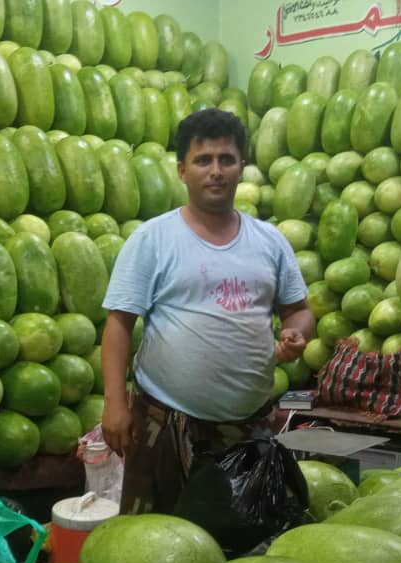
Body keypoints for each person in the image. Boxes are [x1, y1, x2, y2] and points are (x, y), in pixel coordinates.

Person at [99, 107, 316, 515]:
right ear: (182, 171)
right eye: (203, 160)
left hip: (249, 429)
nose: (215, 170)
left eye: (226, 159)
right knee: (154, 542)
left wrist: (297, 333)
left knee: (241, 546)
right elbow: (119, 325)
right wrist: (115, 404)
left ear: (241, 167)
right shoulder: (153, 239)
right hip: (165, 425)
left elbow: (299, 309)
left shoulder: (269, 241)